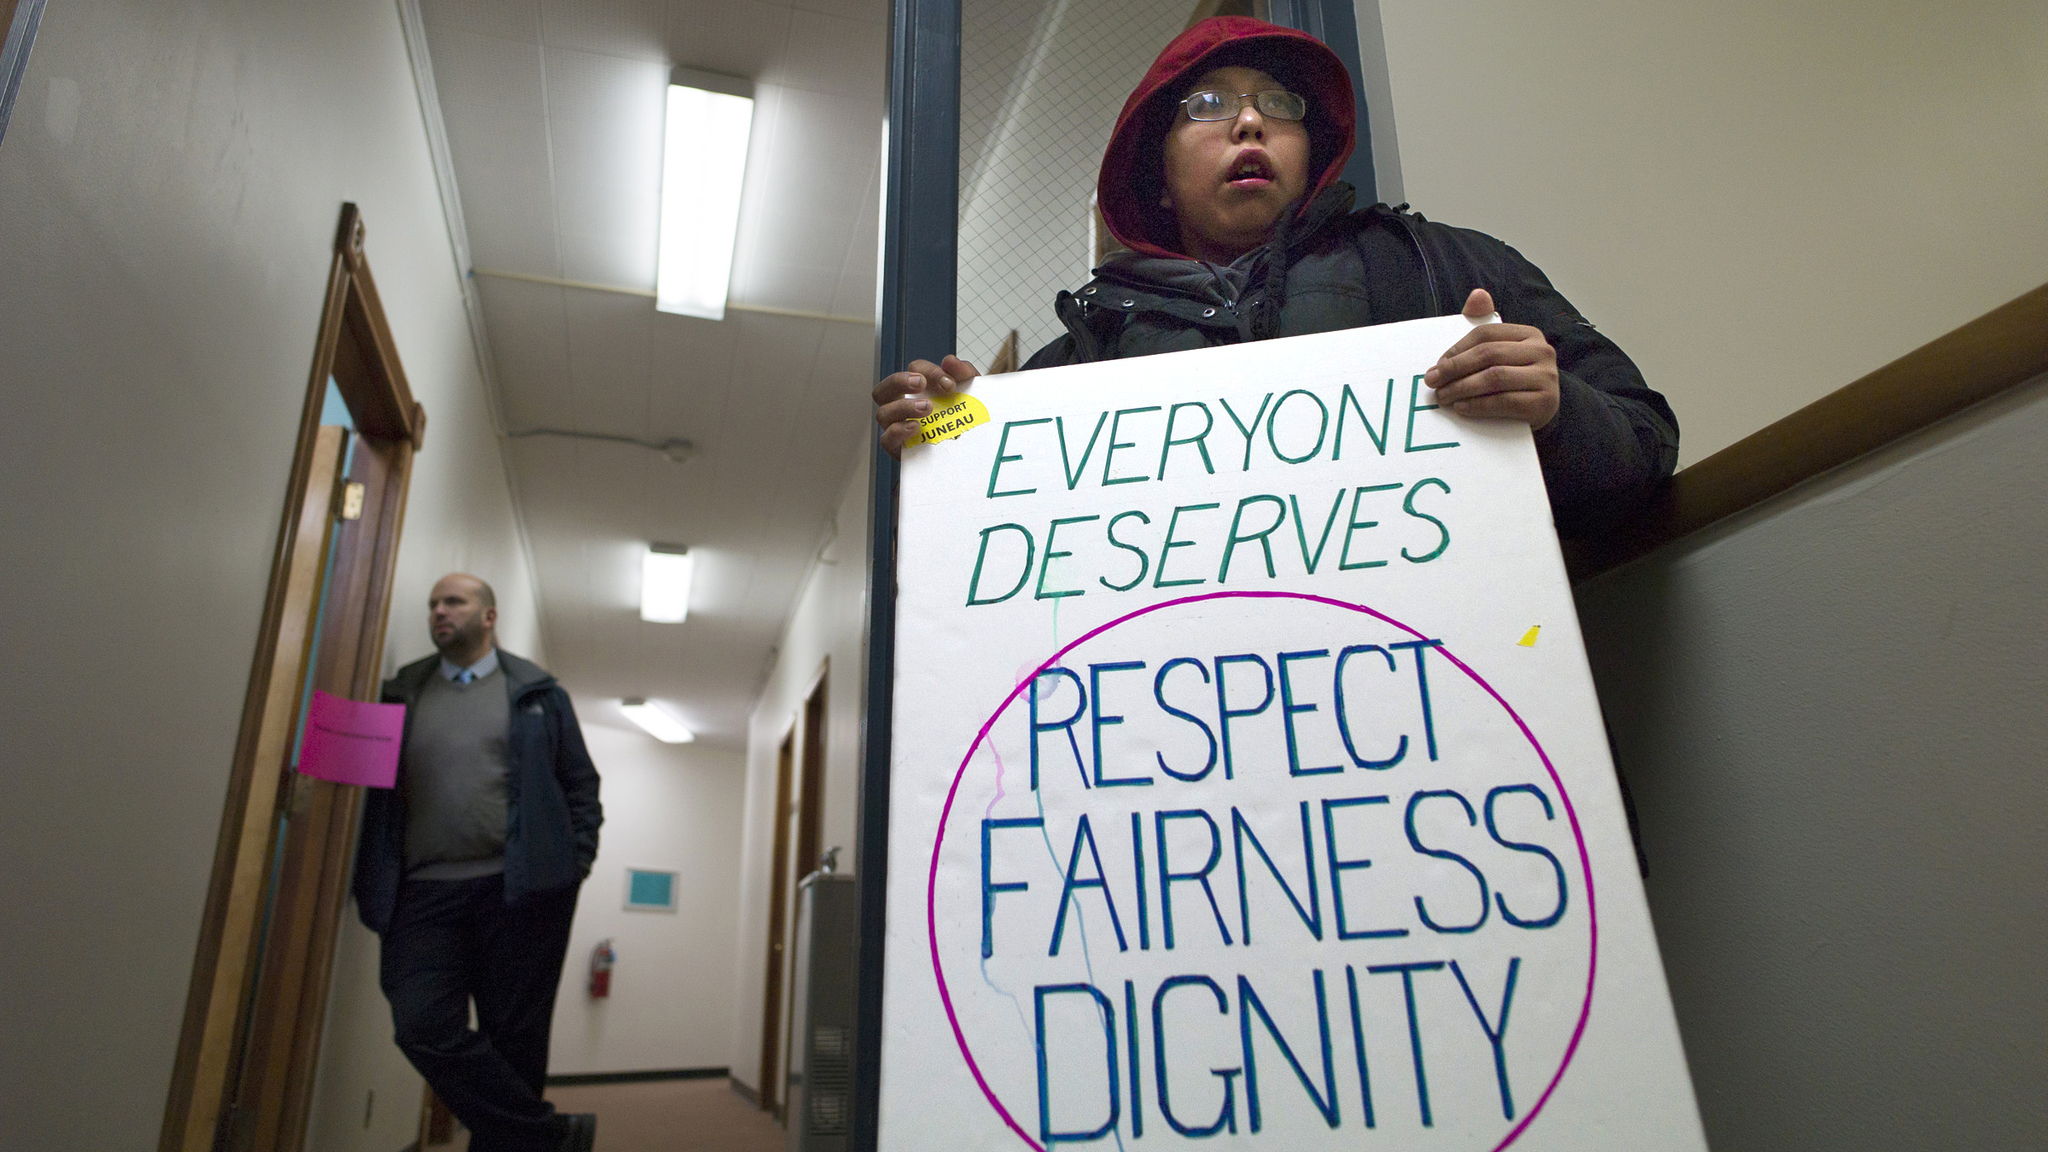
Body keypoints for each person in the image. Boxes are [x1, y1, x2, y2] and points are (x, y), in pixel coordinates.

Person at [874, 15, 1678, 538]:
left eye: (1279, 104)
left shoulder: (1442, 267)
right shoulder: (1083, 356)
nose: (1250, 120)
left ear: (1308, 149)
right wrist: (948, 438)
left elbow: (1647, 445)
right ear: (1155, 171)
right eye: (1209, 103)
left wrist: (1556, 411)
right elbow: (1003, 556)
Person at [353, 574, 603, 1152]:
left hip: (517, 892)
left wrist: (571, 867)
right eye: (433, 604)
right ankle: (552, 1136)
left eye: (454, 602)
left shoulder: (539, 696)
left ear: (488, 616)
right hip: (421, 893)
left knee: (515, 1041)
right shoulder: (400, 693)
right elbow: (363, 786)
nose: (439, 612)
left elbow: (580, 789)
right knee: (421, 1024)